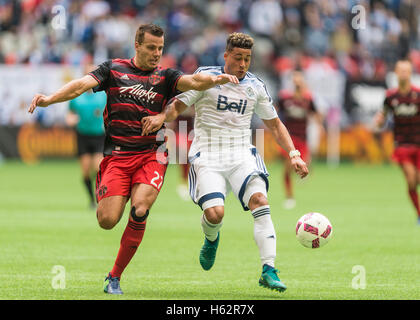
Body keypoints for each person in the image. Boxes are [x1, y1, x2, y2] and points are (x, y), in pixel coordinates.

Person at [28, 23, 239, 295]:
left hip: (152, 154)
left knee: (140, 208)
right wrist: (48, 99)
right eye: (151, 47)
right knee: (107, 220)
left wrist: (218, 78)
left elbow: (194, 81)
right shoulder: (113, 69)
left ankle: (114, 277)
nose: (156, 53)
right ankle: (109, 185)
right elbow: (80, 85)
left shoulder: (166, 76)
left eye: (160, 48)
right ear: (137, 45)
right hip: (117, 156)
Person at [141, 32, 309, 292]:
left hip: (241, 154)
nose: (243, 64)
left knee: (260, 202)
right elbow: (178, 105)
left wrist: (294, 154)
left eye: (248, 59)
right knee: (215, 214)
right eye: (238, 58)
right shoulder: (206, 77)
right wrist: (161, 118)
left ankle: (269, 269)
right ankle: (211, 237)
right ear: (226, 56)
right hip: (207, 154)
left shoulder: (255, 86)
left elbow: (274, 125)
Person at [374, 59, 420, 224]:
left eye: (406, 71)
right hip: (401, 144)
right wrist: (379, 120)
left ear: (410, 73)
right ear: (396, 73)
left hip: (418, 144)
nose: (403, 74)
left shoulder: (418, 94)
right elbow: (383, 114)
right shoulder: (390, 96)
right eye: (400, 71)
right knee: (411, 179)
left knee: (417, 179)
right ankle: (419, 213)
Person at [277, 70, 323, 209]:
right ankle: (289, 197)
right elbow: (274, 111)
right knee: (288, 167)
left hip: (303, 138)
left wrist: (320, 125)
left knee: (305, 162)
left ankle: (305, 170)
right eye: (295, 79)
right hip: (288, 138)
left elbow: (317, 115)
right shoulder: (285, 98)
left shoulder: (308, 99)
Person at [66, 64, 107, 209]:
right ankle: (91, 199)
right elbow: (70, 113)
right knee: (85, 171)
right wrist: (71, 119)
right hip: (82, 135)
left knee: (97, 167)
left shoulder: (102, 95)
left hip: (98, 135)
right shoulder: (77, 96)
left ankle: (100, 196)